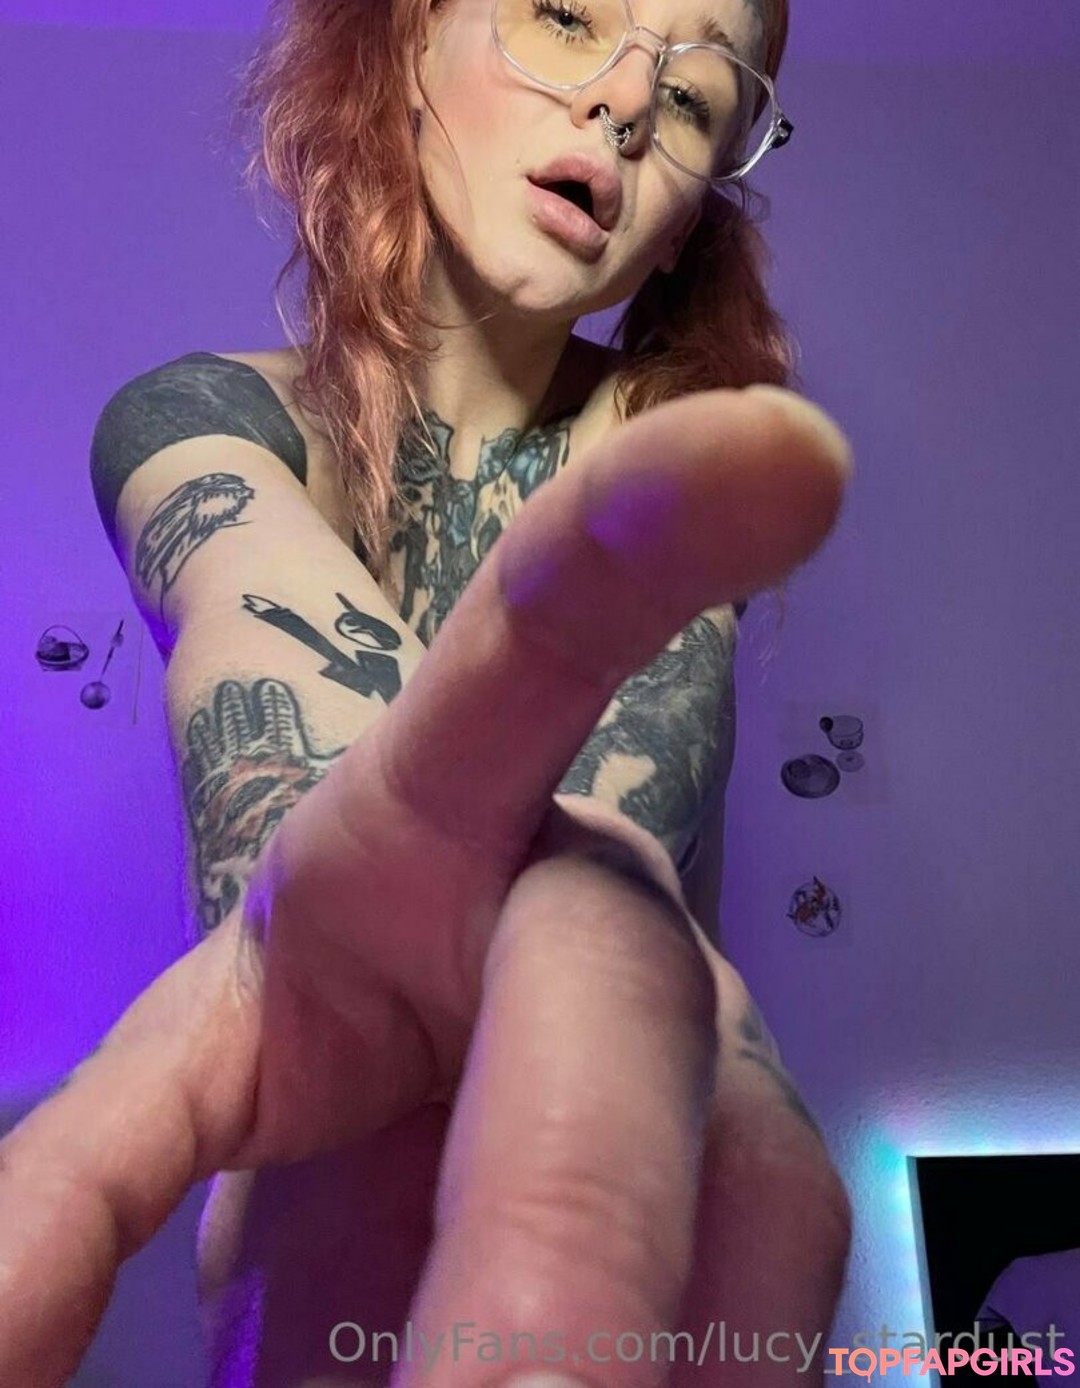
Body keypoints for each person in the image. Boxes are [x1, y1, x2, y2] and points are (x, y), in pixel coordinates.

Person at [0, 0, 855, 1383]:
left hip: (666, 1271)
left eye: (698, 98)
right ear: (406, 43)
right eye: (567, 13)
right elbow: (264, 660)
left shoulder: (679, 465)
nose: (626, 103)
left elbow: (604, 850)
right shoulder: (202, 426)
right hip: (310, 1287)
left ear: (686, 220)